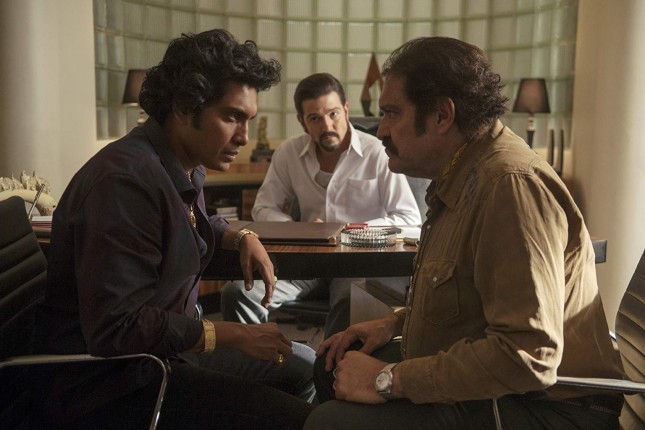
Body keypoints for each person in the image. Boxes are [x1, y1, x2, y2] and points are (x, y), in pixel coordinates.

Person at [304, 37, 626, 429]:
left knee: (331, 422)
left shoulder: (508, 187)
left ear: (442, 115)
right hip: (508, 393)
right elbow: (470, 301)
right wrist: (396, 323)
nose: (381, 129)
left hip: (546, 408)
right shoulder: (461, 175)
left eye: (391, 113)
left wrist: (387, 380)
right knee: (331, 365)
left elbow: (527, 356)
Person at [35, 29, 315, 430]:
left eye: (248, 120)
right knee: (305, 419)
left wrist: (240, 235)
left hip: (162, 356)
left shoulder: (177, 164)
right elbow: (118, 328)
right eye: (232, 117)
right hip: (115, 385)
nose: (244, 136)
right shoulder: (126, 182)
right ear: (184, 108)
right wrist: (234, 334)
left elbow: (189, 223)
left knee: (303, 364)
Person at [221, 72, 421, 338]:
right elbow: (263, 209)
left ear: (346, 110)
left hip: (357, 263)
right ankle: (258, 360)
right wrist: (301, 230)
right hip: (307, 263)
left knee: (350, 301)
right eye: (314, 118)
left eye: (333, 114)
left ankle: (328, 365)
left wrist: (347, 230)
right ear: (302, 122)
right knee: (238, 293)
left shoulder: (377, 153)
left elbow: (409, 219)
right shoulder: (289, 153)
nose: (327, 125)